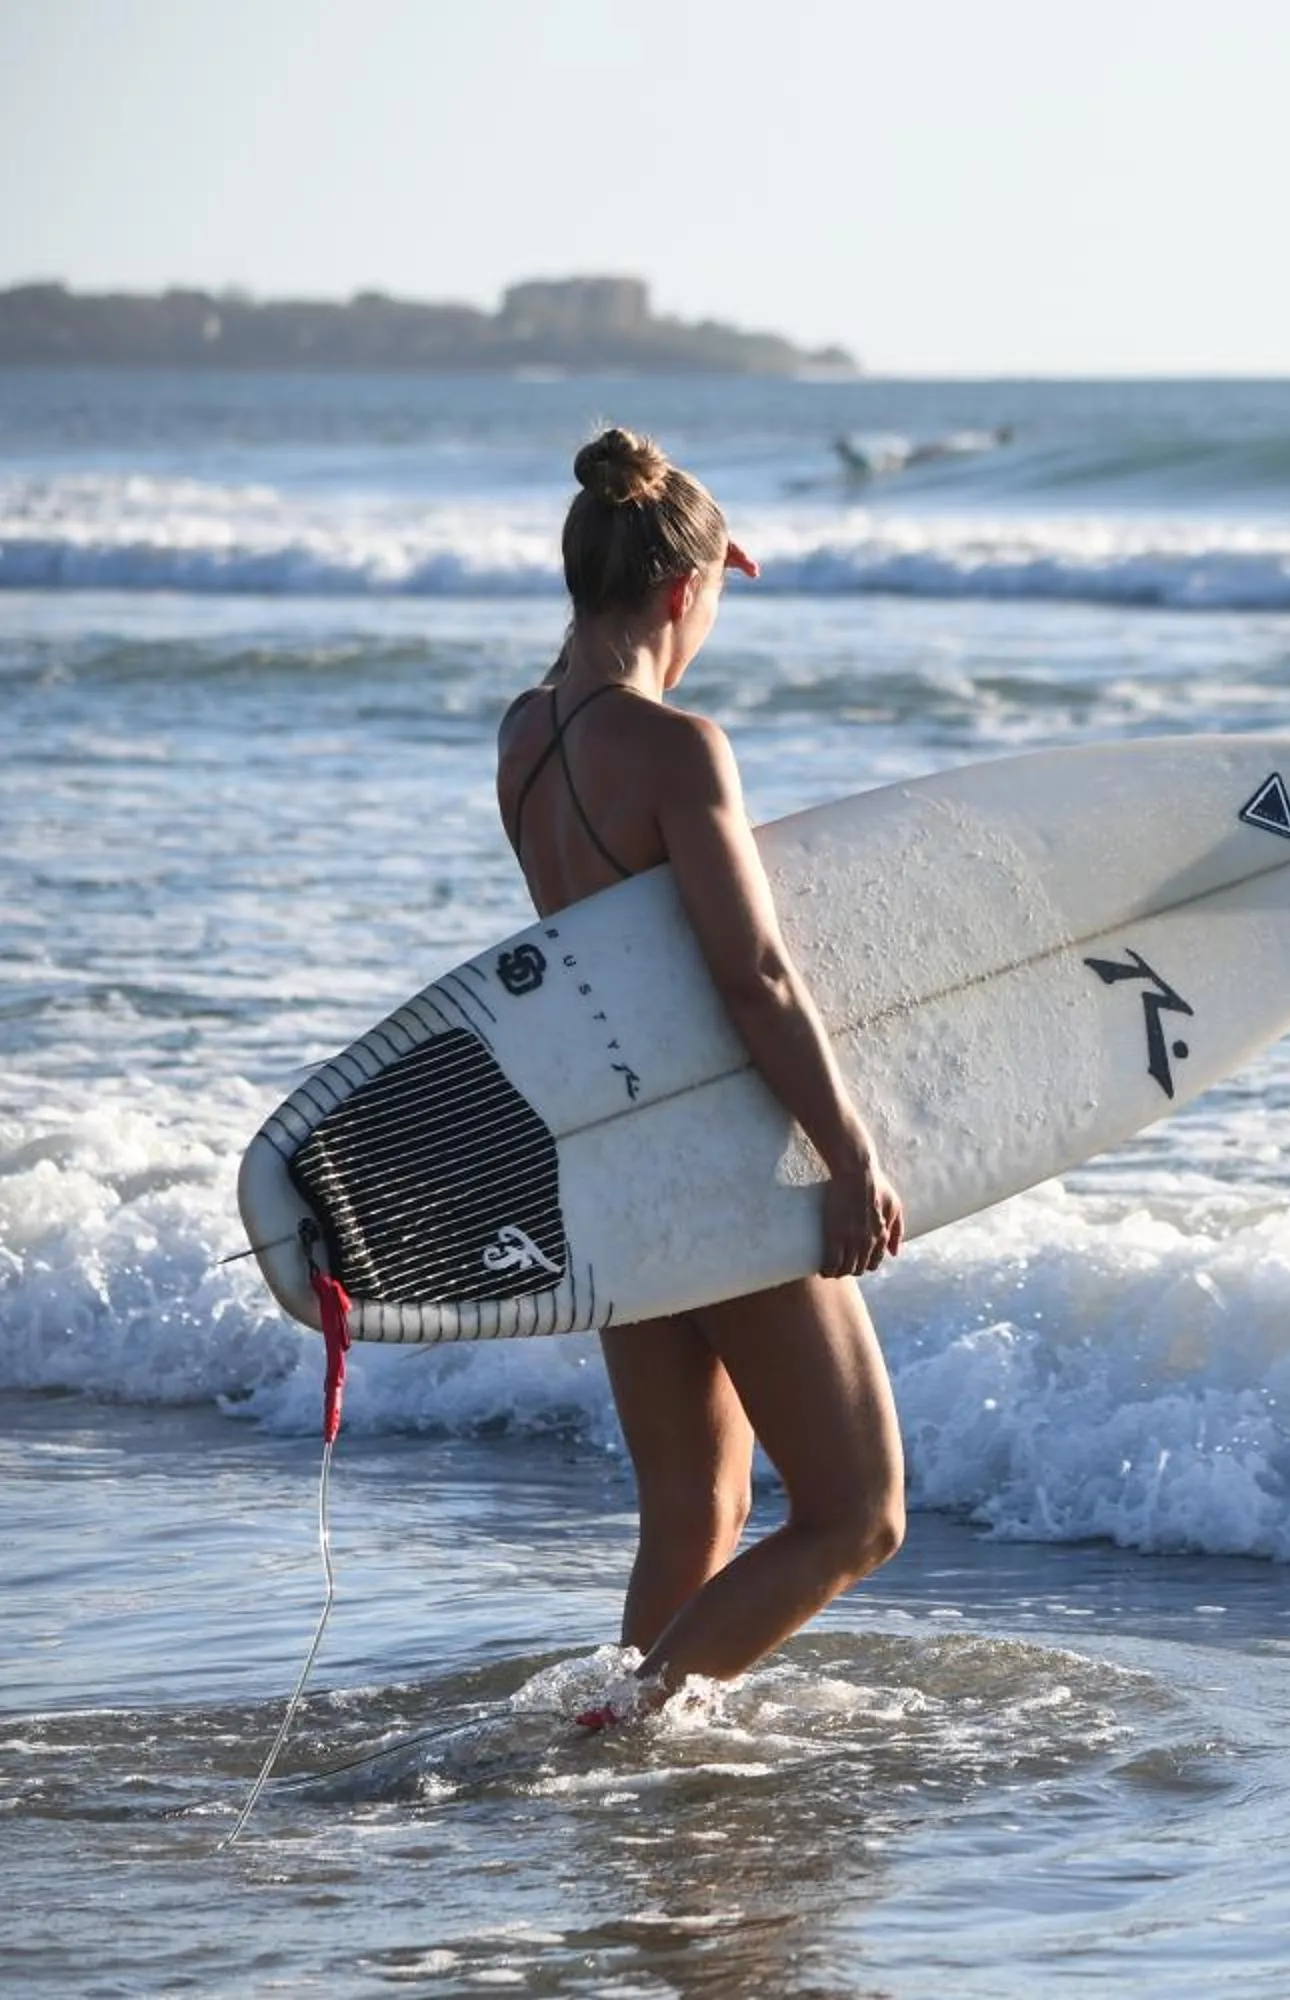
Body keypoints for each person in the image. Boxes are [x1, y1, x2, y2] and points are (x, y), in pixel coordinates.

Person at [496, 427, 908, 1721]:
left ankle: (624, 1739)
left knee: (697, 1509)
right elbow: (756, 979)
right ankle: (623, 1732)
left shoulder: (525, 738)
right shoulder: (677, 749)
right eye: (717, 591)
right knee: (856, 1513)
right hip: (718, 1158)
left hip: (611, 1159)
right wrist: (848, 1154)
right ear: (686, 590)